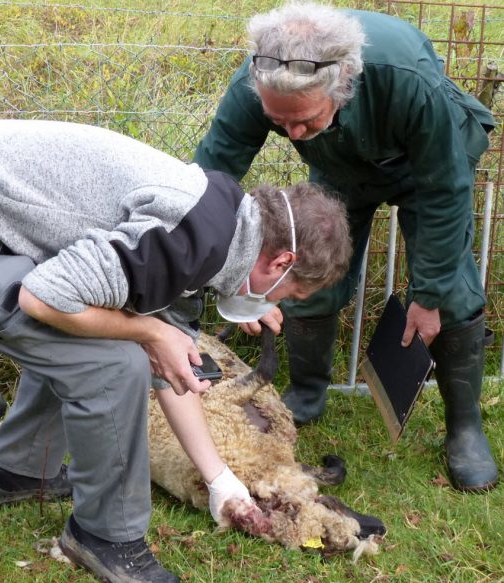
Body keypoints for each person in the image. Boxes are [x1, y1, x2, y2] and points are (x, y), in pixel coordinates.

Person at [0, 119, 351, 583]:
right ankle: (104, 536)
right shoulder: (182, 238)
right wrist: (147, 331)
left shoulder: (222, 228)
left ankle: (21, 474)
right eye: (294, 291)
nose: (279, 303)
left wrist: (220, 481)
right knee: (112, 363)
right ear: (281, 261)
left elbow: (172, 369)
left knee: (88, 338)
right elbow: (43, 300)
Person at [193, 2, 498, 492]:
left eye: (303, 121)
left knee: (452, 287)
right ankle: (308, 392)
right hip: (340, 164)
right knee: (307, 269)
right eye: (280, 123)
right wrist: (219, 270)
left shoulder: (407, 81)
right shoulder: (259, 84)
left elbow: (446, 190)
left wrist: (430, 295)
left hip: (430, 166)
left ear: (343, 83)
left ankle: (464, 428)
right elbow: (210, 183)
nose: (291, 134)